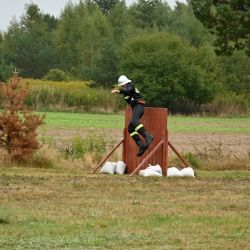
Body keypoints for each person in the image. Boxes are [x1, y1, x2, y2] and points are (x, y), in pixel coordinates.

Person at [111, 75, 154, 157]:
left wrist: (118, 90)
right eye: (122, 85)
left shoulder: (131, 86)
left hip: (139, 106)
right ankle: (141, 144)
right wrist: (119, 91)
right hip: (136, 108)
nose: (123, 86)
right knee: (130, 129)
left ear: (126, 83)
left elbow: (127, 90)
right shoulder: (125, 90)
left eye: (123, 85)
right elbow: (126, 92)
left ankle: (148, 136)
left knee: (134, 121)